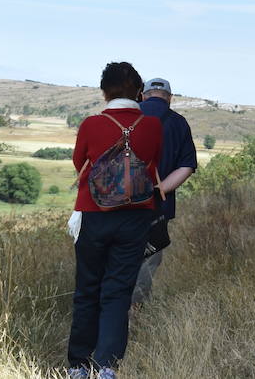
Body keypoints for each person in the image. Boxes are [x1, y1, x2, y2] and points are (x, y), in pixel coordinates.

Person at [67, 61, 163, 379]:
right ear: (138, 91)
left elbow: (80, 161)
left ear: (105, 92)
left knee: (87, 288)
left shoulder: (91, 124)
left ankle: (79, 365)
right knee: (118, 290)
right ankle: (107, 366)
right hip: (135, 216)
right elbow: (152, 163)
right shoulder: (152, 126)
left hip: (94, 214)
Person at [133, 76, 197, 305]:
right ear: (169, 98)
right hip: (157, 207)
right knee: (147, 258)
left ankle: (112, 308)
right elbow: (187, 166)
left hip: (119, 203)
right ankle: (136, 310)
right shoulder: (179, 122)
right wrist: (160, 188)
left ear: (143, 95)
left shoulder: (126, 117)